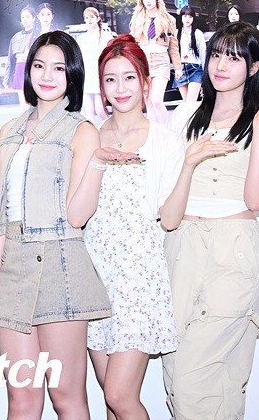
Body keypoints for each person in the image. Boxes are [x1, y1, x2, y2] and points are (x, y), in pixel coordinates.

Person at [0, 31, 138, 420]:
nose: (47, 75)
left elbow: (77, 216)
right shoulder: (9, 131)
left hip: (60, 263)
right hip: (14, 266)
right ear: (28, 71)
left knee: (66, 397)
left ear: (71, 74)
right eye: (39, 66)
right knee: (21, 398)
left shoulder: (81, 129)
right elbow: (2, 214)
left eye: (58, 68)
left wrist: (98, 163)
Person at [163, 21, 259, 419]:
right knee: (186, 375)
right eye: (216, 54)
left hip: (234, 247)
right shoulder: (184, 115)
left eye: (234, 58)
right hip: (181, 248)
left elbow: (257, 199)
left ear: (254, 67)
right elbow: (168, 207)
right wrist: (189, 162)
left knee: (191, 382)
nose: (220, 65)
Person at [85, 34, 193, 419]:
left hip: (138, 281)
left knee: (119, 395)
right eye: (110, 79)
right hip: (95, 278)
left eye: (129, 77)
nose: (120, 87)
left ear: (146, 82)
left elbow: (170, 219)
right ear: (101, 87)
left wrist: (189, 166)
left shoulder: (166, 141)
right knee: (111, 400)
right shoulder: (89, 136)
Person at [129, 0, 183, 124]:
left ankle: (167, 129)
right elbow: (132, 44)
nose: (148, 1)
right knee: (148, 100)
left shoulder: (168, 19)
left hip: (161, 60)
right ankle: (154, 131)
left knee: (156, 99)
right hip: (143, 60)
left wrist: (178, 67)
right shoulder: (137, 19)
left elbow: (174, 45)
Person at [76, 7, 113, 124]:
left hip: (100, 73)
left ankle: (112, 127)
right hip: (87, 74)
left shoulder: (106, 36)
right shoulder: (82, 38)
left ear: (98, 18)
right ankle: (91, 132)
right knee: (89, 112)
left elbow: (112, 53)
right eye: (87, 18)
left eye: (92, 17)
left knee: (100, 109)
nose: (89, 20)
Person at [174, 5, 207, 102]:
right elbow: (174, 52)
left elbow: (203, 53)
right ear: (181, 17)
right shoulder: (176, 33)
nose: (187, 19)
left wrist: (205, 72)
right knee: (186, 104)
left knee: (190, 102)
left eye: (190, 16)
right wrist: (177, 68)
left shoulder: (197, 33)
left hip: (195, 68)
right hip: (181, 69)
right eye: (185, 16)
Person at [3, 5, 37, 90]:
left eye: (27, 17)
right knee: (21, 97)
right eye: (23, 17)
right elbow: (10, 60)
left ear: (33, 18)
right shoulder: (16, 37)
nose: (25, 19)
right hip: (19, 69)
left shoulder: (38, 34)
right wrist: (6, 79)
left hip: (34, 70)